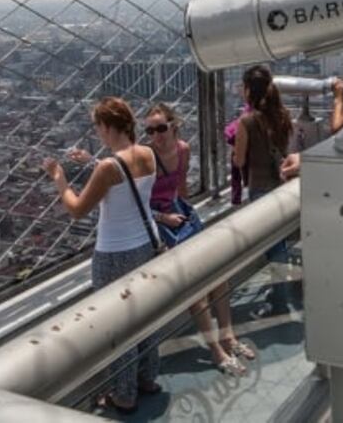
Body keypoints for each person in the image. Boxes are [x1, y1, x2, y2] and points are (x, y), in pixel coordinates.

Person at [43, 96, 161, 414]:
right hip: (147, 244)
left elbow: (78, 209)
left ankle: (124, 395)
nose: (97, 134)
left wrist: (59, 179)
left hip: (115, 252)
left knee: (117, 323)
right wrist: (91, 163)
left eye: (98, 127)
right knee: (146, 313)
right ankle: (148, 378)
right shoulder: (148, 152)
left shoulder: (109, 166)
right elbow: (125, 177)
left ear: (107, 126)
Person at [143, 103, 255, 375]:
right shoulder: (145, 157)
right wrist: (163, 218)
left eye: (160, 128)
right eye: (149, 130)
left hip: (179, 216)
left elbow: (180, 189)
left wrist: (183, 213)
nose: (156, 135)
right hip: (158, 223)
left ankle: (227, 335)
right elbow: (137, 203)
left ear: (173, 126)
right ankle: (216, 348)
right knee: (195, 287)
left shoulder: (182, 149)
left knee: (218, 274)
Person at [233, 65, 294, 319]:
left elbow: (239, 160)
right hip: (282, 184)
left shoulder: (246, 121)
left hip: (259, 188)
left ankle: (280, 301)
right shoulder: (283, 114)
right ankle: (279, 293)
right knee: (281, 243)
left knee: (274, 249)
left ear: (248, 90)